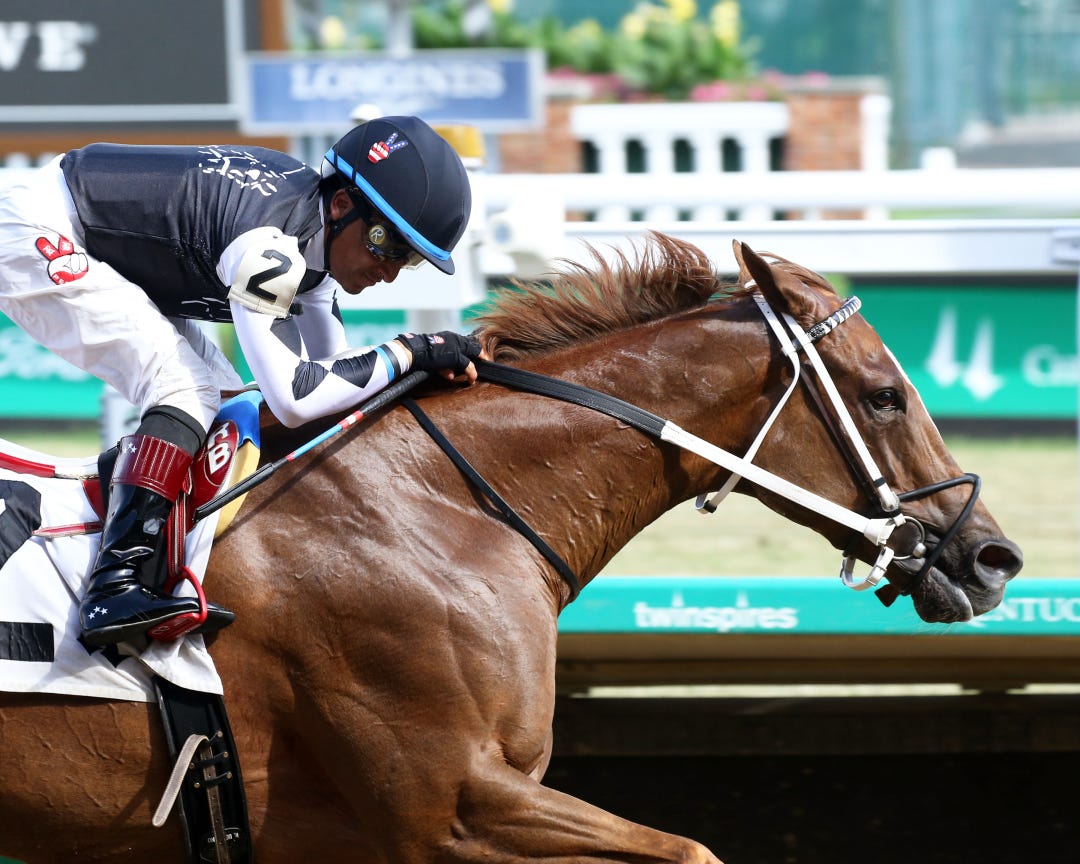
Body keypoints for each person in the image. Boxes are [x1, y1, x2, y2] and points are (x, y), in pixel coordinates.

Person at [0, 115, 486, 647]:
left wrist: (416, 370)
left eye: (408, 258)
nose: (390, 270)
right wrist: (411, 350)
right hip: (39, 225)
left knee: (234, 406)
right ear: (343, 204)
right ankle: (114, 584)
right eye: (385, 243)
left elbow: (334, 391)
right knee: (186, 392)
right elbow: (299, 398)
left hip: (98, 239)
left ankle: (141, 540)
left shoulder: (315, 245)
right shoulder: (271, 245)